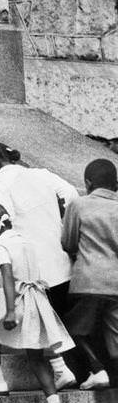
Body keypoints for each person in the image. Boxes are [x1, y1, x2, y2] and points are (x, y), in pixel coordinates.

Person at [0, 141, 78, 390]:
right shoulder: (41, 173)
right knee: (56, 318)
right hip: (60, 258)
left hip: (32, 267)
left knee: (36, 320)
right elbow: (72, 195)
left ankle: (56, 370)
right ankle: (67, 369)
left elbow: (2, 222)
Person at [0, 204, 72, 403]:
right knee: (36, 358)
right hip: (37, 298)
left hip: (17, 299)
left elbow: (7, 276)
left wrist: (9, 311)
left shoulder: (0, 246)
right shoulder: (25, 240)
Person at [61, 158, 118, 388]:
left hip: (89, 281)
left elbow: (68, 242)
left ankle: (98, 370)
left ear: (88, 183)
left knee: (72, 328)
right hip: (116, 284)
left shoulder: (79, 205)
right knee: (114, 337)